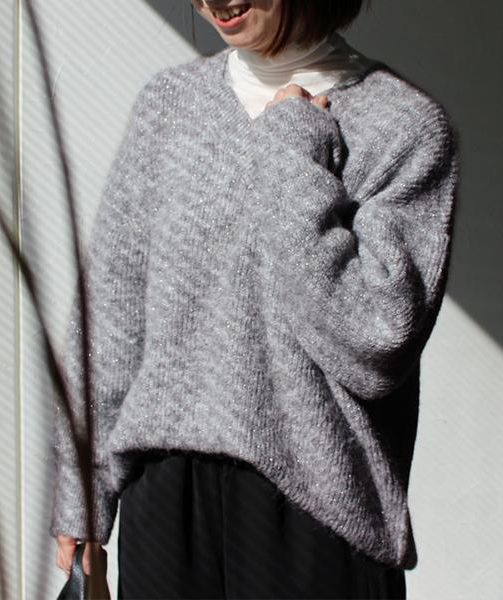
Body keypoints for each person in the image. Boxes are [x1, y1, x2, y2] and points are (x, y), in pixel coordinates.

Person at [50, 0, 460, 598]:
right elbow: (112, 310)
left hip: (318, 510)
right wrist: (83, 492)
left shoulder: (402, 126)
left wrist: (294, 146)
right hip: (163, 501)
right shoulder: (172, 106)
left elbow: (375, 341)